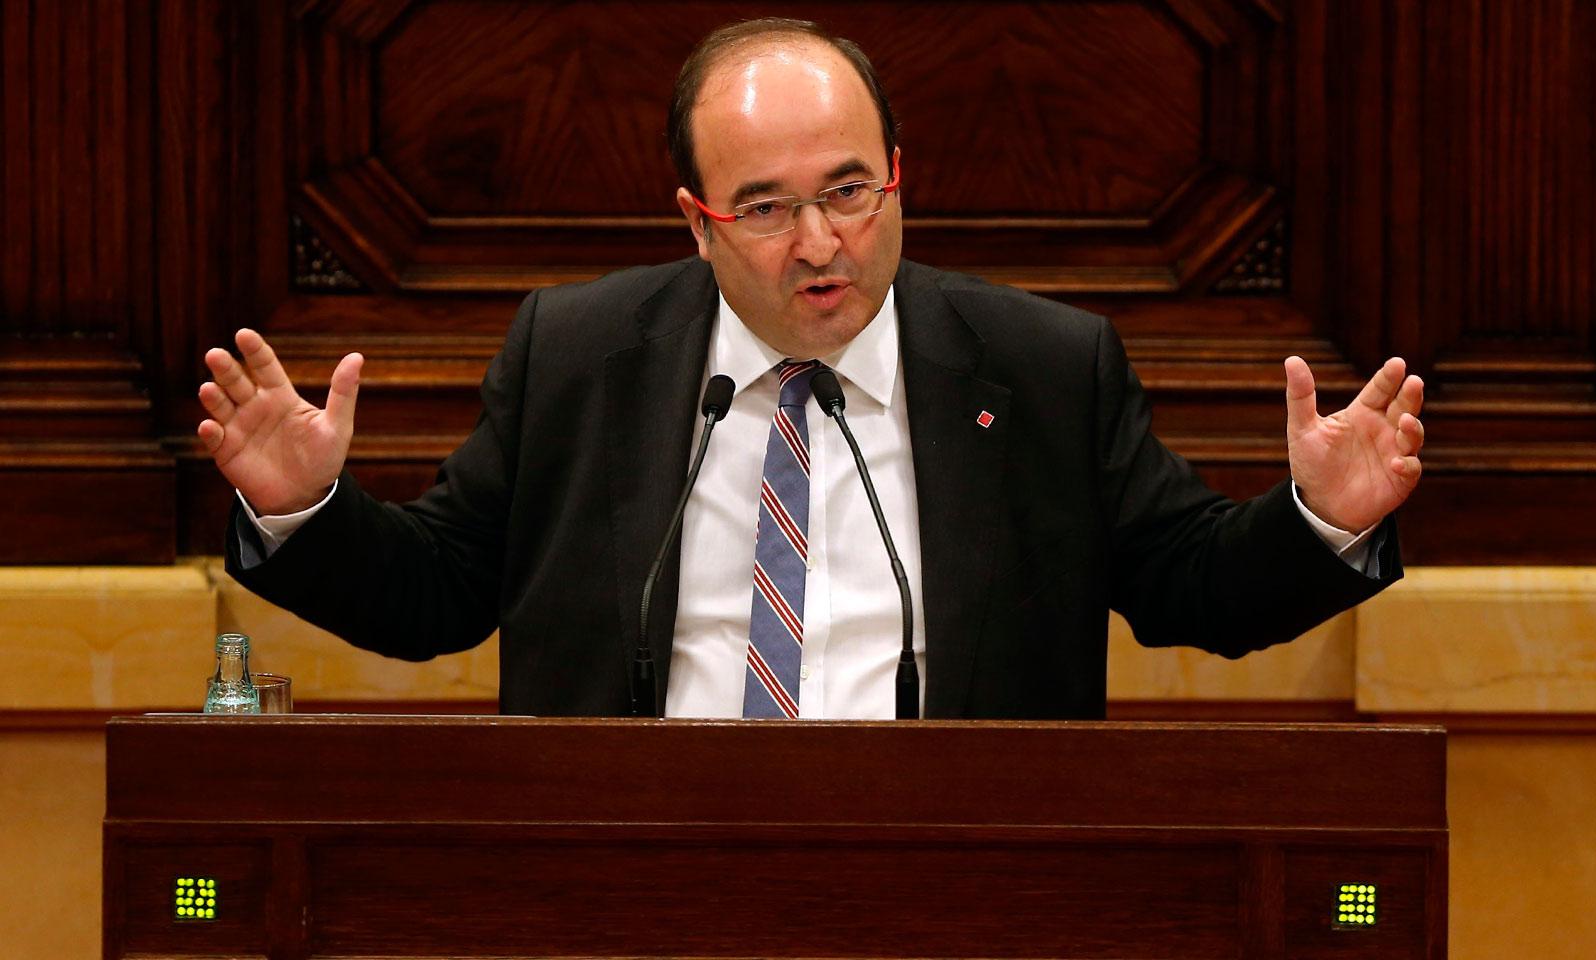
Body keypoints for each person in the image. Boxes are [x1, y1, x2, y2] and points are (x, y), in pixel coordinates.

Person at [198, 19, 1425, 719]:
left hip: (959, 892)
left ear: (899, 175)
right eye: (766, 208)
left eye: (848, 190)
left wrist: (1318, 518)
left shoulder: (1042, 369)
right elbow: (439, 595)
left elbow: (1188, 589)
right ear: (694, 221)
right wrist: (302, 506)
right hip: (629, 891)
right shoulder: (581, 357)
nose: (821, 243)